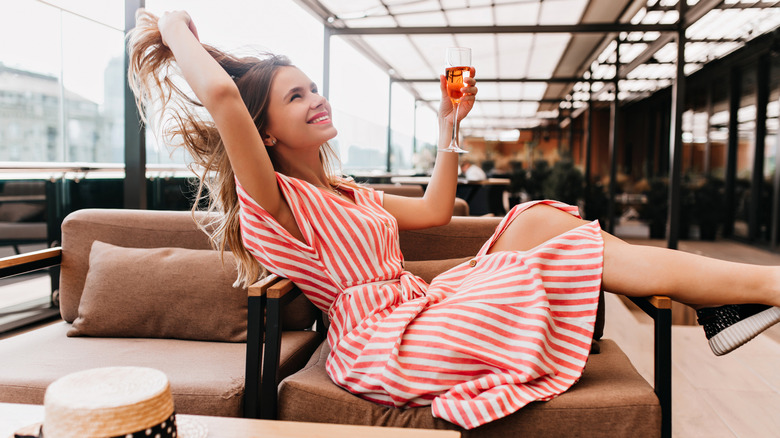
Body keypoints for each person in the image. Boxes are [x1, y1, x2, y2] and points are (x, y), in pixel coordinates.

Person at [127, 10, 780, 430]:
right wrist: (175, 27)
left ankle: (726, 304)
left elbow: (438, 211)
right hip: (385, 343)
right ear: (262, 133)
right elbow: (219, 95)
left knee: (535, 222)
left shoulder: (346, 192)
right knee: (562, 248)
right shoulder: (275, 204)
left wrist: (448, 128)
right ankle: (757, 291)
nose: (317, 100)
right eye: (295, 96)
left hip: (421, 306)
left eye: (314, 87)